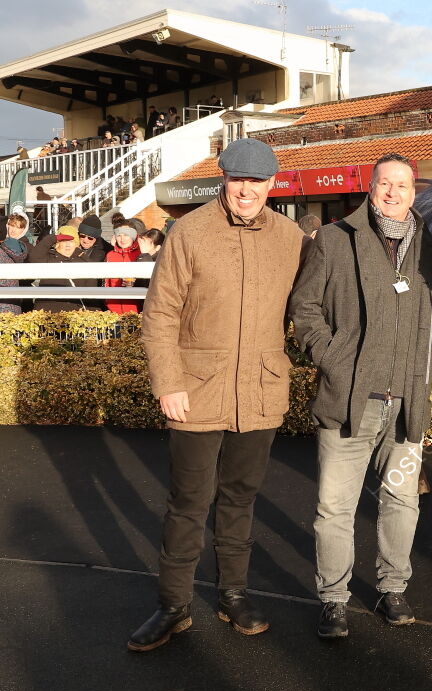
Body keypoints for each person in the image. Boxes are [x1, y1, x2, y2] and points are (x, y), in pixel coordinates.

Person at [289, 152, 432, 640]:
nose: (394, 193)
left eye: (403, 186)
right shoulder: (333, 239)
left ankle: (393, 587)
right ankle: (334, 598)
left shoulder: (426, 247)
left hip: (407, 403)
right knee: (335, 508)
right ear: (371, 188)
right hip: (349, 400)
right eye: (385, 184)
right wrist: (334, 358)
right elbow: (304, 309)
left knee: (402, 502)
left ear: (415, 193)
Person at [128, 138, 304, 652]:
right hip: (195, 392)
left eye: (257, 181)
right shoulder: (190, 231)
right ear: (224, 179)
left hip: (261, 390)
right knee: (188, 503)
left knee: (240, 500)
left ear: (272, 185)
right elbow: (159, 314)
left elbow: (311, 305)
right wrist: (169, 382)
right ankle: (173, 606)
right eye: (238, 179)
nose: (246, 190)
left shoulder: (291, 236)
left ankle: (233, 595)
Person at [34, 226, 89, 312]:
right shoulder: (48, 258)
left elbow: (91, 291)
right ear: (58, 243)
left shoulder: (83, 260)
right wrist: (53, 238)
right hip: (48, 313)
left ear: (76, 244)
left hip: (76, 315)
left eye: (71, 241)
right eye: (64, 241)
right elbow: (34, 257)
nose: (67, 244)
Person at [104, 226, 142, 314]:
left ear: (132, 237)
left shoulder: (140, 254)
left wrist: (135, 283)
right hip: (113, 309)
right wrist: (107, 302)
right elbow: (106, 282)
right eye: (119, 236)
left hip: (136, 309)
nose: (122, 239)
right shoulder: (110, 255)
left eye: (126, 235)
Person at [1, 212, 30, 314]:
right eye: (12, 225)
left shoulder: (4, 246)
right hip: (15, 294)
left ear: (24, 230)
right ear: (7, 225)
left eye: (18, 227)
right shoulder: (26, 247)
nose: (13, 230)